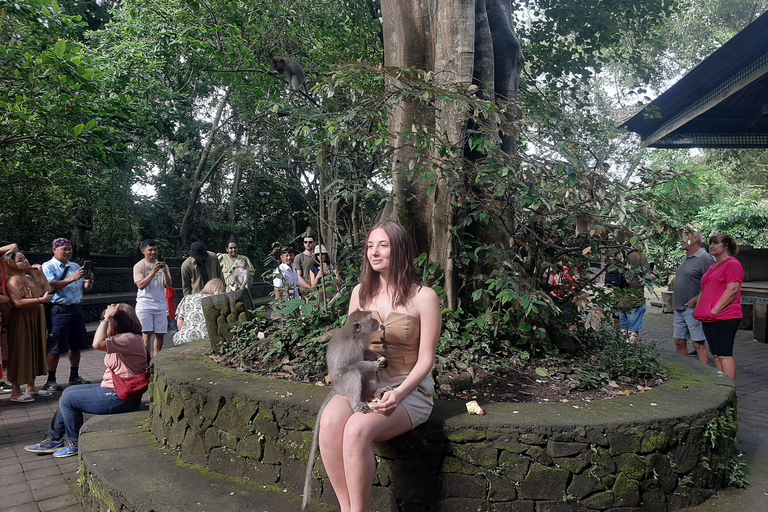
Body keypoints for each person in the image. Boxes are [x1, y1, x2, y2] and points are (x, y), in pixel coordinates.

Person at [317, 220, 440, 512]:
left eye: (383, 245)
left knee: (356, 430)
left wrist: (397, 395)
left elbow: (426, 360)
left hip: (408, 390)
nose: (374, 252)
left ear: (400, 249)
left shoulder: (424, 297)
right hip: (365, 384)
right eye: (370, 246)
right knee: (330, 423)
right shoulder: (360, 293)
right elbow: (351, 346)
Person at [24, 303, 149, 458]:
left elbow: (96, 344)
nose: (103, 324)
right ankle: (54, 439)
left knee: (69, 399)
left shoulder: (128, 339)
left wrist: (106, 319)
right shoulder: (126, 338)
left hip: (121, 397)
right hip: (117, 390)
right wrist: (107, 319)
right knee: (69, 392)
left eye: (107, 322)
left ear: (117, 323)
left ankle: (75, 443)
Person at [41, 238, 94, 391]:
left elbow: (84, 286)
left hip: (76, 308)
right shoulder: (48, 266)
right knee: (56, 345)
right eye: (64, 249)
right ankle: (50, 379)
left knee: (77, 344)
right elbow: (50, 285)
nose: (68, 252)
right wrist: (72, 278)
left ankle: (74, 375)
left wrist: (89, 281)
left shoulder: (75, 266)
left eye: (69, 249)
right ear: (54, 250)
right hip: (59, 309)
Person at [3, 250, 54, 402]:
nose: (25, 261)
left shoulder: (29, 277)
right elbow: (17, 302)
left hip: (35, 317)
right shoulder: (13, 280)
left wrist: (41, 273)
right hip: (21, 319)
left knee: (33, 349)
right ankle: (15, 392)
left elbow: (47, 291)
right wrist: (40, 301)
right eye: (20, 260)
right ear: (12, 264)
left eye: (24, 258)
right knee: (20, 352)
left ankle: (31, 387)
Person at [692, 233, 743, 381]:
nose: (711, 246)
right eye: (710, 243)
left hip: (725, 316)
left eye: (716, 243)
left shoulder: (732, 264)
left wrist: (715, 310)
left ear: (726, 246)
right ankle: (722, 386)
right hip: (709, 317)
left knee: (724, 354)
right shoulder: (714, 266)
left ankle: (729, 390)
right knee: (717, 354)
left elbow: (733, 289)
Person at [673, 230, 715, 364]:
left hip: (693, 309)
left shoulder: (705, 258)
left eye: (686, 237)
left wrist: (696, 300)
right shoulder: (688, 257)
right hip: (679, 307)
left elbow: (713, 284)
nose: (682, 240)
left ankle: (704, 376)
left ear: (696, 239)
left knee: (698, 344)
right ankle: (685, 372)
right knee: (679, 341)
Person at [605, 248, 654, 343]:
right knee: (633, 329)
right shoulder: (639, 255)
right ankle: (631, 350)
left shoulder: (617, 252)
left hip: (619, 299)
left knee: (623, 326)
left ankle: (623, 349)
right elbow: (646, 274)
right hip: (634, 300)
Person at [133, 239, 172, 356]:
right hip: (145, 305)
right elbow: (140, 285)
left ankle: (156, 359)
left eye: (155, 250)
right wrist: (153, 271)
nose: (153, 252)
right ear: (143, 251)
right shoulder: (139, 266)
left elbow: (169, 284)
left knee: (160, 334)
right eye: (150, 250)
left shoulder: (163, 265)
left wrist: (164, 271)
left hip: (160, 304)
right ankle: (146, 360)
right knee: (146, 334)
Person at [173, 278, 225, 345]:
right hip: (206, 339)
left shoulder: (188, 298)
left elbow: (179, 324)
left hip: (184, 338)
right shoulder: (218, 302)